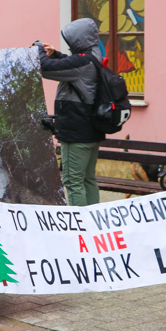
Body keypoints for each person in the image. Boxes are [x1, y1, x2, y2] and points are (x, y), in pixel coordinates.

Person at [38, 18, 106, 207]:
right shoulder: (93, 56)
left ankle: (81, 229)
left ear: (78, 40)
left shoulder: (83, 61)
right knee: (87, 179)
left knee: (73, 181)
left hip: (77, 133)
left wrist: (39, 51)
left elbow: (44, 68)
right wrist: (55, 54)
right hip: (90, 130)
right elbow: (69, 65)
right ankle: (93, 222)